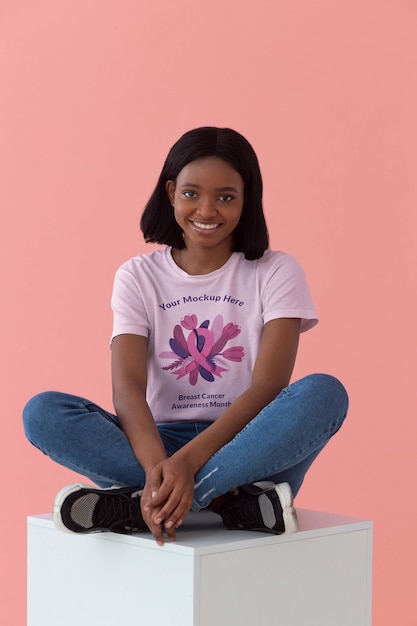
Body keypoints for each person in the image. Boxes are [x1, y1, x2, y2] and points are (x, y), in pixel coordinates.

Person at [23, 126, 348, 546]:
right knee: (43, 413)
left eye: (226, 196)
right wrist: (163, 461)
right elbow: (127, 388)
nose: (207, 210)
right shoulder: (138, 276)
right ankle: (232, 505)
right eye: (192, 193)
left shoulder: (276, 271)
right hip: (156, 442)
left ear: (247, 199)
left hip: (249, 444)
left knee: (325, 394)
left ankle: (143, 502)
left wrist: (187, 465)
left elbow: (269, 385)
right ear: (172, 192)